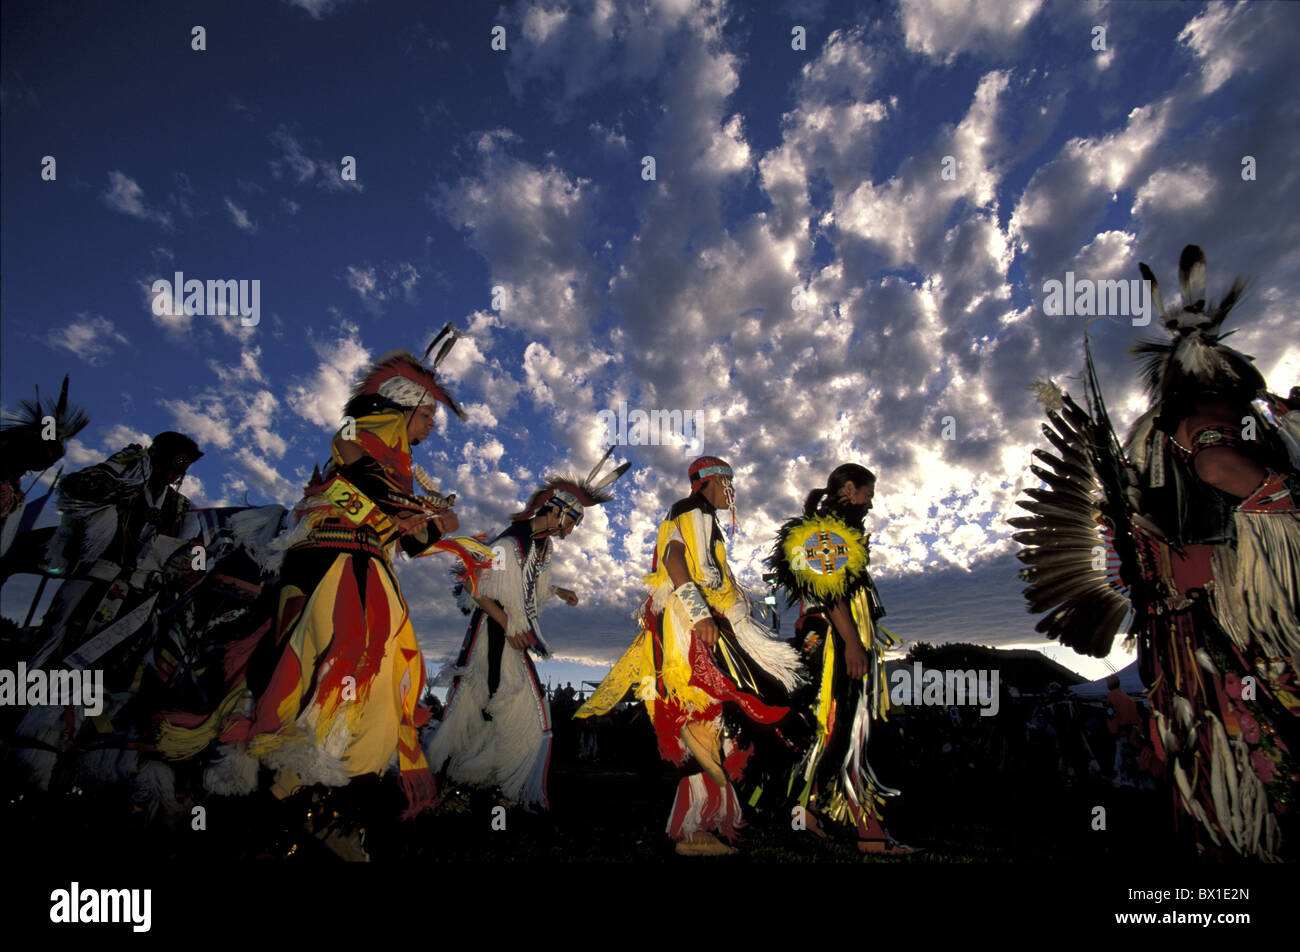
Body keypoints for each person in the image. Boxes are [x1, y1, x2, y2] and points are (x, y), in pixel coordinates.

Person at [1018, 245, 1298, 860]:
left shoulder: (1154, 436)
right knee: (1250, 768)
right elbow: (1221, 465)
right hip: (1227, 627)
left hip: (1184, 635)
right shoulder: (1210, 416)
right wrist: (1289, 495)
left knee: (1218, 778)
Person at [158, 340, 473, 847]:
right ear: (405, 406)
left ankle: (321, 798)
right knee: (337, 662)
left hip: (371, 569)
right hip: (329, 562)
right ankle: (280, 799)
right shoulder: (355, 435)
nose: (432, 426)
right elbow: (365, 481)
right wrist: (421, 508)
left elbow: (414, 542)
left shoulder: (410, 472)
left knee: (383, 671)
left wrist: (439, 521)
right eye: (428, 414)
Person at [578, 456, 803, 855]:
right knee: (702, 713)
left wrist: (730, 613)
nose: (732, 492)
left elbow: (712, 575)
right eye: (727, 483)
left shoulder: (706, 520)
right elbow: (674, 560)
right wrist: (700, 616)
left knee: (720, 716)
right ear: (710, 481)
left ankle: (711, 821)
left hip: (706, 618)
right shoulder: (689, 510)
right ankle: (693, 829)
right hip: (688, 622)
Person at [425, 450, 627, 811]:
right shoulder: (510, 542)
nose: (570, 531)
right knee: (510, 709)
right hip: (492, 636)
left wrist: (555, 590)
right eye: (570, 522)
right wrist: (507, 624)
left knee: (499, 711)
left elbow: (523, 588)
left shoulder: (541, 547)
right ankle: (471, 787)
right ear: (555, 510)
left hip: (510, 635)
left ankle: (480, 786)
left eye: (574, 526)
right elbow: (478, 589)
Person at [8, 430, 202, 793]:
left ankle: (81, 749)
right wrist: (124, 472)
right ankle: (29, 735)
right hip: (92, 590)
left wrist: (189, 564)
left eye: (180, 469)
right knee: (61, 662)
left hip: (140, 604)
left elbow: (189, 557)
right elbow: (80, 491)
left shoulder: (182, 508)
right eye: (170, 464)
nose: (173, 475)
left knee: (116, 678)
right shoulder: (124, 477)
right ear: (156, 456)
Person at [765, 463, 914, 854]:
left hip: (833, 638)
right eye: (868, 493)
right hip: (832, 641)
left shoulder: (835, 528)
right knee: (843, 730)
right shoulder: (826, 529)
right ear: (850, 488)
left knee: (835, 731)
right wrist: (851, 641)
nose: (871, 501)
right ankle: (868, 833)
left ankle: (809, 815)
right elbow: (830, 591)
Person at [1105, 674, 1142, 788]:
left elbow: (1112, 715)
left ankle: (1125, 781)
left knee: (1121, 758)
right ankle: (1133, 781)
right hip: (1132, 731)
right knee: (1130, 756)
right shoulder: (1127, 697)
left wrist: (1113, 732)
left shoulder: (1111, 697)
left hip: (1121, 732)